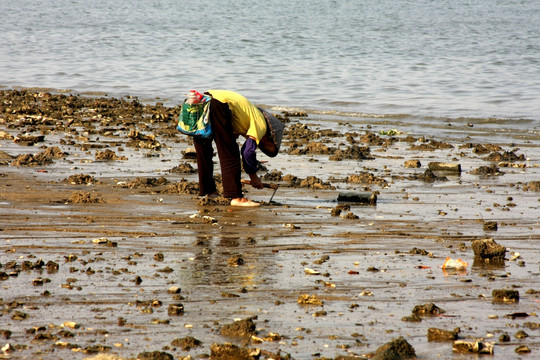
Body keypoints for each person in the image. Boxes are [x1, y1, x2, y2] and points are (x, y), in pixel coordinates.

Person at [191, 90, 284, 207]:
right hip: (219, 104)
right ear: (270, 136)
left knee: (204, 150)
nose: (261, 145)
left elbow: (236, 134)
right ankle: (236, 197)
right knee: (229, 151)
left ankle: (210, 191)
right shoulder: (261, 125)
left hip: (202, 101)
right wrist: (253, 177)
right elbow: (248, 151)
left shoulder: (249, 115)